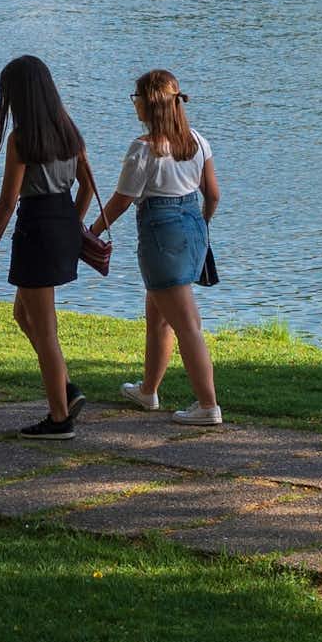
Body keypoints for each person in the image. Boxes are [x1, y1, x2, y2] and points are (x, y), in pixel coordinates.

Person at [88, 67, 222, 424]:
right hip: (192, 226)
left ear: (148, 105)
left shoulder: (143, 149)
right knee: (159, 316)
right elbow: (213, 194)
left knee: (187, 323)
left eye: (136, 99)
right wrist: (202, 224)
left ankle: (208, 405)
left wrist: (93, 231)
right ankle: (148, 391)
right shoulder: (197, 141)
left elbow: (121, 199)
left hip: (162, 233)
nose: (134, 106)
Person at [0, 54, 98, 436]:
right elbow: (88, 186)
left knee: (45, 330)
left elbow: (8, 201)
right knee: (25, 316)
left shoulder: (22, 138)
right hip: (61, 221)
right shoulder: (68, 130)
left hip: (36, 228)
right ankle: (65, 390)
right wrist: (73, 223)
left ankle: (60, 419)